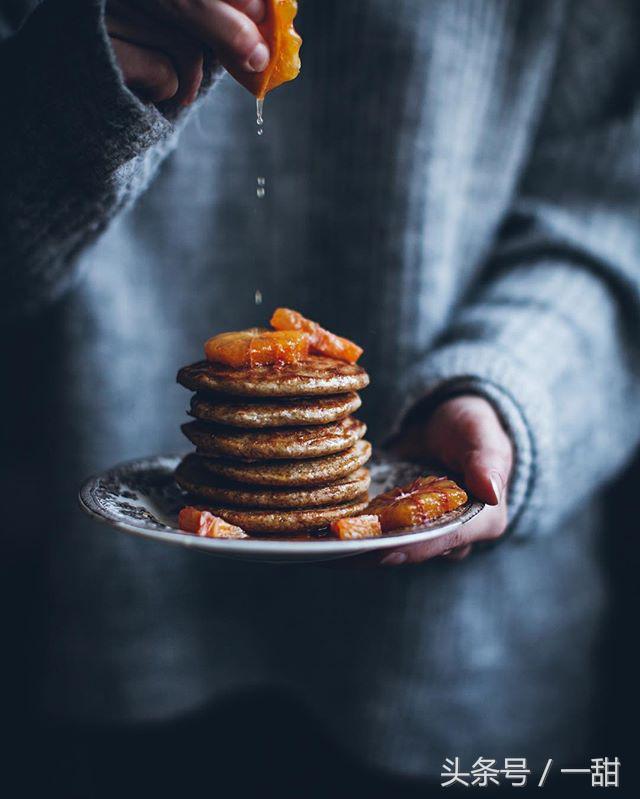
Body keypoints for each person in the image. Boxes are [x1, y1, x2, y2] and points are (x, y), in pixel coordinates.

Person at [1, 0, 639, 793]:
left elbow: (618, 215)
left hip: (455, 667)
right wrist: (63, 86)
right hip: (116, 628)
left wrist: (508, 390)